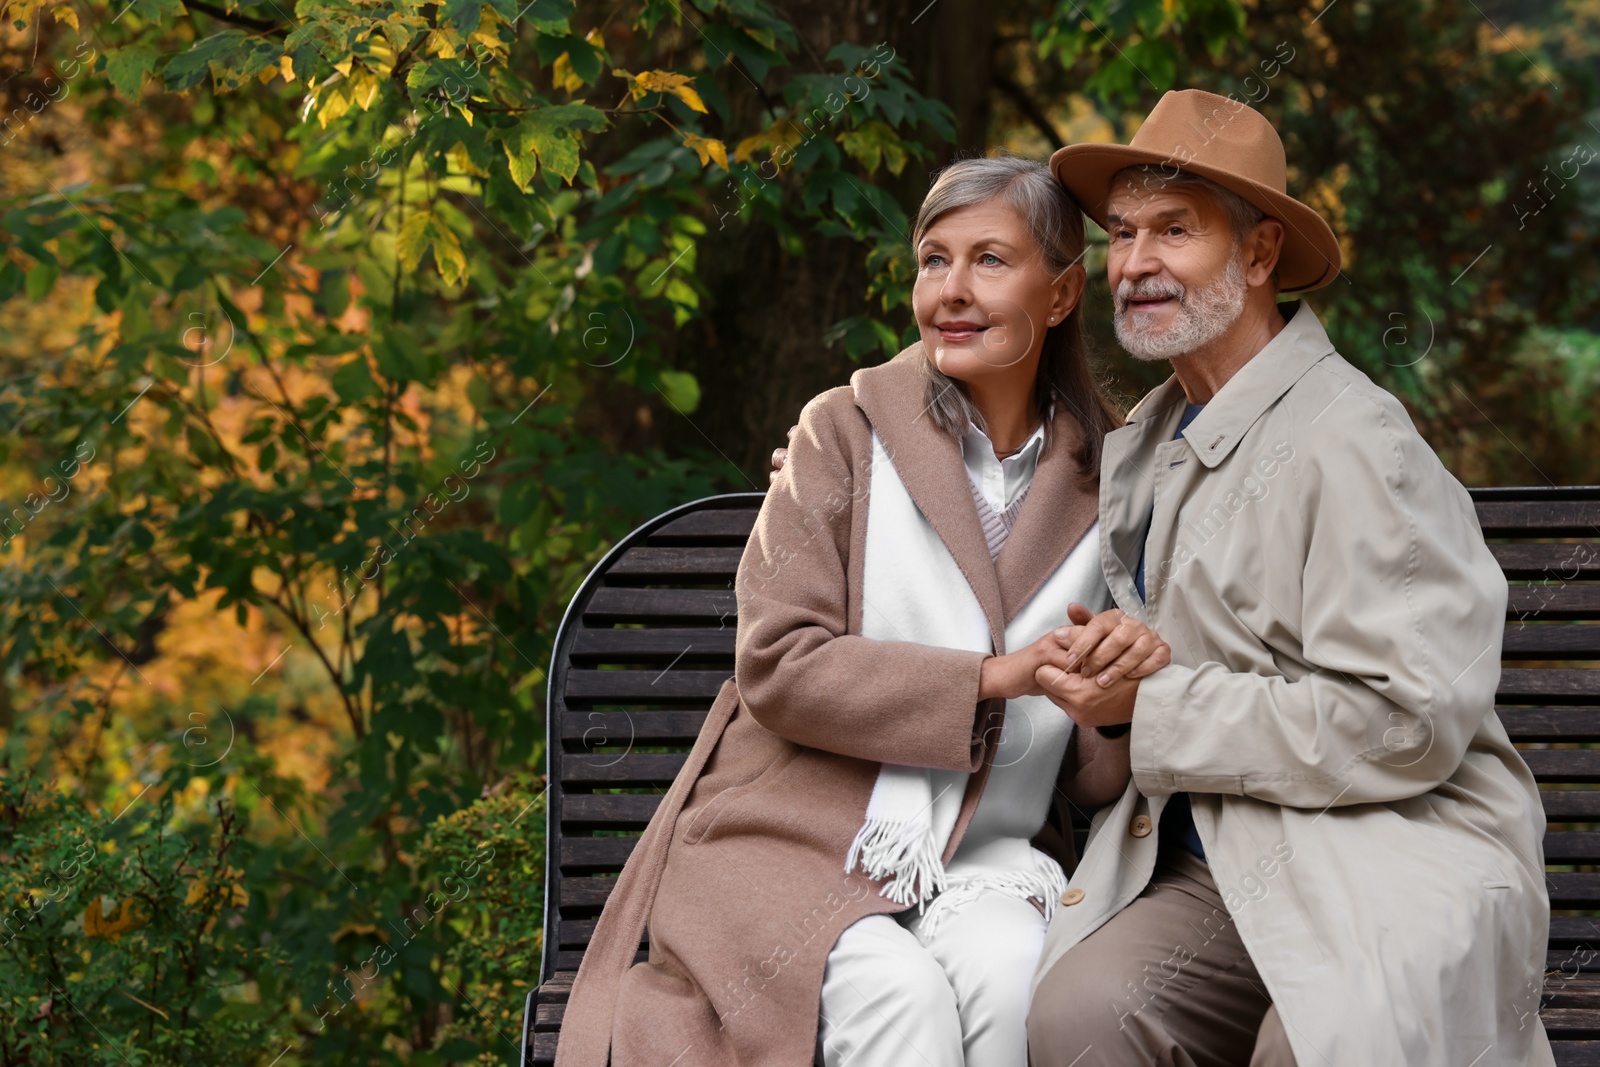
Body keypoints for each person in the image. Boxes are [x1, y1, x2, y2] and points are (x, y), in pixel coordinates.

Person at [554, 155, 1170, 1067]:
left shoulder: (1112, 479)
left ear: (1062, 291)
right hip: (792, 839)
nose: (951, 291)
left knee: (1016, 984)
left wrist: (1112, 715)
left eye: (990, 261)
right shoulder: (839, 435)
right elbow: (777, 664)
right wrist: (993, 677)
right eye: (933, 259)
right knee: (901, 1003)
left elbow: (1087, 780)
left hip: (988, 853)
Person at [1021, 88, 1553, 1066]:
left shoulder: (1359, 442)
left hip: (1394, 846)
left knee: (1324, 1043)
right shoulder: (1142, 439)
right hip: (1212, 856)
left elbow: (1407, 719)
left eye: (1174, 230)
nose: (1134, 263)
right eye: (1123, 234)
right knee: (1081, 1017)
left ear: (1260, 254)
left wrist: (1157, 704)